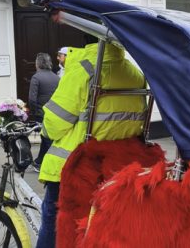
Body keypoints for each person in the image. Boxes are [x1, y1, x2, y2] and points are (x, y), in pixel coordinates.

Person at [37, 42, 146, 247]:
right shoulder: (135, 74)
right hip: (118, 166)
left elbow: (54, 123)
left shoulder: (83, 71)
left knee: (53, 224)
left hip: (76, 167)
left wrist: (44, 130)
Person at [28, 53, 60, 172]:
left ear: (38, 64)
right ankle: (39, 161)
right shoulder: (56, 78)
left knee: (47, 139)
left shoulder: (36, 77)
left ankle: (53, 165)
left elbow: (32, 98)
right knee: (46, 137)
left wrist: (35, 111)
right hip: (55, 113)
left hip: (42, 113)